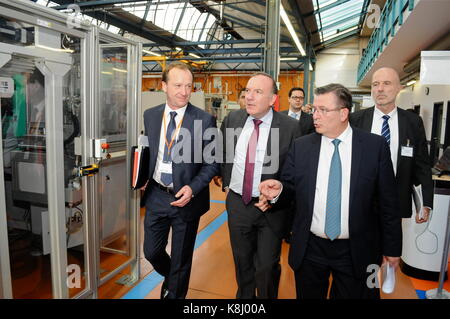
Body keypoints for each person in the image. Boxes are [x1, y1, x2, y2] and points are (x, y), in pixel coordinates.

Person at [259, 83, 402, 299]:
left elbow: (388, 202)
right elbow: (290, 190)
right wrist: (278, 191)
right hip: (310, 248)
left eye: (323, 110)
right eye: (314, 109)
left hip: (358, 249)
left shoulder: (374, 147)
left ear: (344, 113)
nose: (315, 115)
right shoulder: (302, 146)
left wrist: (392, 248)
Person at [141, 62, 219, 299]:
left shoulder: (204, 120)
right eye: (177, 85)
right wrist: (141, 176)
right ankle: (172, 277)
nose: (184, 91)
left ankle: (174, 291)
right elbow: (149, 151)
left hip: (186, 198)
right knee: (151, 252)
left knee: (182, 257)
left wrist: (193, 188)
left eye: (188, 86)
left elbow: (212, 163)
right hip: (156, 195)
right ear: (163, 86)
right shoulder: (151, 116)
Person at [220, 72, 301, 298]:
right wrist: (226, 182)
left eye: (258, 92)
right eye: (247, 91)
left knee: (266, 266)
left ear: (273, 99)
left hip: (271, 209)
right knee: (242, 261)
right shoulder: (232, 120)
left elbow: (295, 172)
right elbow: (223, 152)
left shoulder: (290, 128)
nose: (249, 97)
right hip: (238, 203)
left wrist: (276, 196)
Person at [350, 67, 433, 224]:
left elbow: (421, 165)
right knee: (360, 247)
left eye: (386, 83)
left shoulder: (413, 122)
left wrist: (425, 203)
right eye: (375, 84)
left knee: (391, 247)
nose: (380, 89)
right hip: (359, 199)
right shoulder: (355, 120)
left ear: (399, 88)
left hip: (396, 200)